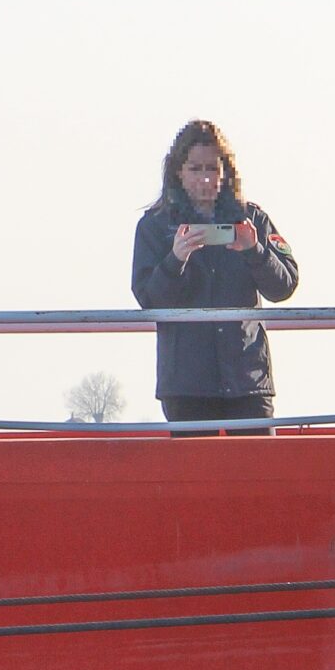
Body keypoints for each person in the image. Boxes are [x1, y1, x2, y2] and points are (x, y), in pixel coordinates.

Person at [130, 119, 299, 435]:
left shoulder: (252, 219)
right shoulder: (155, 226)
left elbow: (285, 285)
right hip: (188, 386)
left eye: (212, 168)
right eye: (195, 169)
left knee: (260, 467)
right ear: (178, 172)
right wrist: (176, 258)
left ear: (225, 172)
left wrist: (255, 250)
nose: (205, 179)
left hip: (247, 380)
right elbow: (149, 300)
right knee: (195, 469)